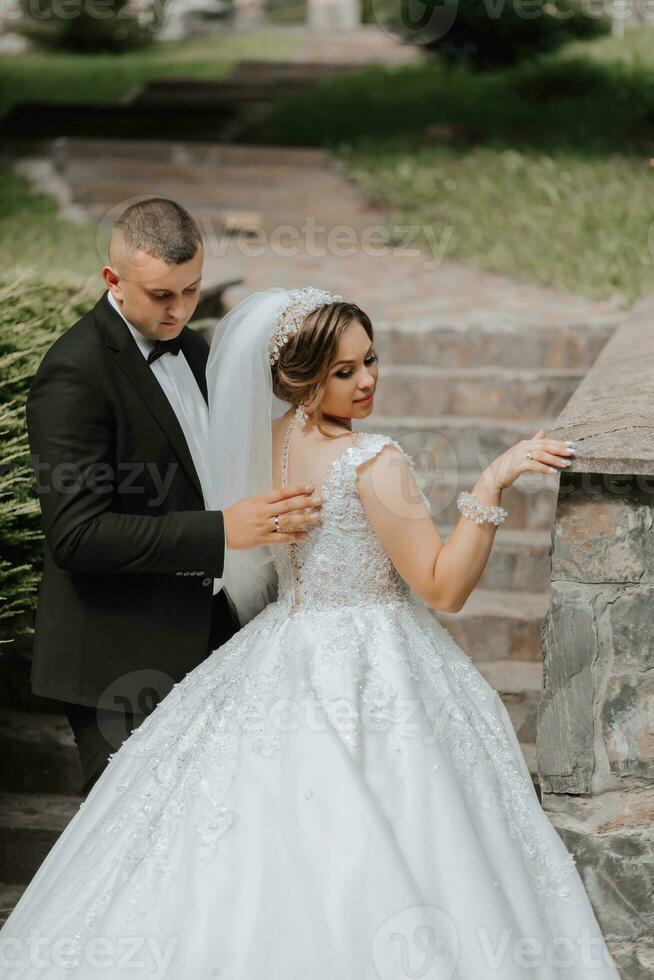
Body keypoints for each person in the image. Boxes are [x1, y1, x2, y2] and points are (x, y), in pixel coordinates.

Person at [1, 286, 620, 979]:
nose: (368, 382)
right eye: (344, 371)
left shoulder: (258, 447)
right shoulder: (374, 462)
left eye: (371, 361)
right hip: (376, 658)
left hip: (278, 647)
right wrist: (491, 485)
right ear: (301, 377)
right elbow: (445, 587)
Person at [24, 200, 322, 795]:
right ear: (113, 280)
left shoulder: (191, 349)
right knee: (127, 847)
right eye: (161, 294)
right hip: (116, 659)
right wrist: (220, 532)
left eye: (191, 290)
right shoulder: (75, 373)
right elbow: (76, 536)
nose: (179, 310)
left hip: (204, 633)